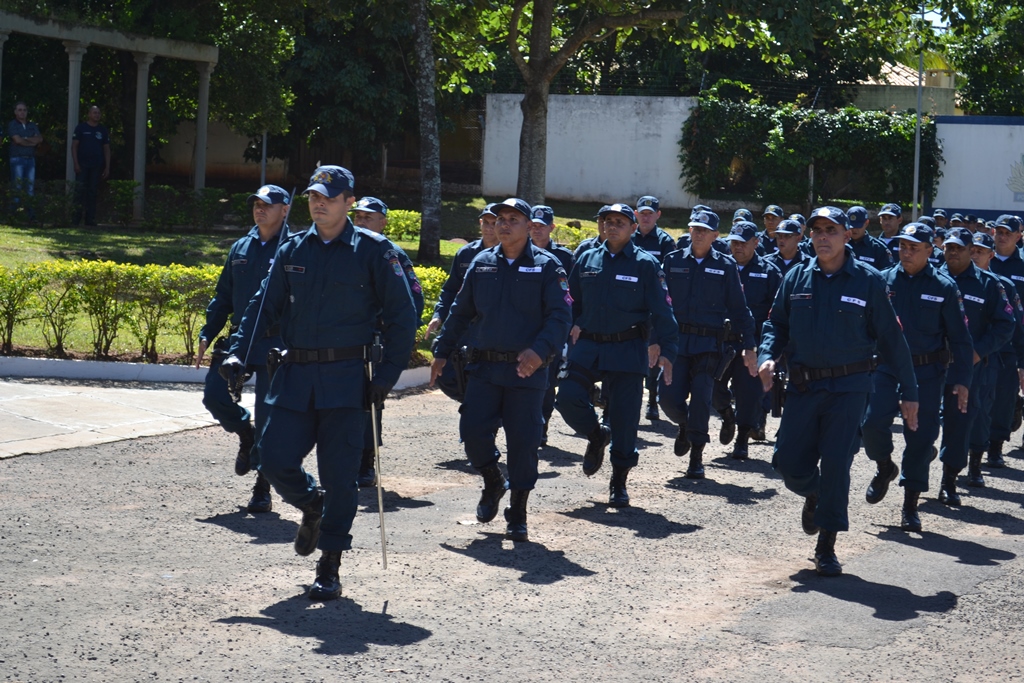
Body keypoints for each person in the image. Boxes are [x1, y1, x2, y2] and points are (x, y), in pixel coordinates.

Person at [220, 165, 418, 601]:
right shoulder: (291, 249)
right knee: (273, 458)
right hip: (295, 377)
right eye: (313, 196)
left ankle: (330, 562)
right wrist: (238, 351)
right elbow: (261, 306)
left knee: (341, 475)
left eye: (329, 197)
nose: (319, 203)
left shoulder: (374, 251)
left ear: (349, 202)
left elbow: (403, 318)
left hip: (348, 381)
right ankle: (312, 504)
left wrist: (386, 378)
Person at [757, 206, 919, 577]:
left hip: (849, 388)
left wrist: (909, 390)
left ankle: (826, 545)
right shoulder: (796, 277)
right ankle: (814, 493)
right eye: (817, 231)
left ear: (847, 235)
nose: (823, 237)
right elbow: (776, 324)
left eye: (831, 230)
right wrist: (767, 356)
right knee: (786, 462)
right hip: (804, 386)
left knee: (836, 464)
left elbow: (892, 340)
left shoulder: (868, 281)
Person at [430, 198, 571, 541]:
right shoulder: (481, 263)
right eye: (499, 219)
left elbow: (560, 316)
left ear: (529, 226)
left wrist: (539, 351)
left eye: (513, 219)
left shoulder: (548, 266)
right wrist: (441, 352)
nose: (504, 224)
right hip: (485, 369)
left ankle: (518, 512)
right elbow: (460, 312)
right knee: (473, 432)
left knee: (524, 443)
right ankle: (493, 480)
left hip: (526, 372)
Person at [556, 203, 678, 507]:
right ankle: (597, 435)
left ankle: (619, 480)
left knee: (625, 420)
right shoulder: (587, 258)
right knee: (567, 396)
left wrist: (668, 349)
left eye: (620, 222)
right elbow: (571, 301)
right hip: (589, 346)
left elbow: (663, 311)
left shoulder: (646, 264)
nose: (612, 226)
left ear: (633, 228)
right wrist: (572, 324)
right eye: (607, 221)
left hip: (627, 349)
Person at [860, 222, 973, 532]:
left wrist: (962, 380)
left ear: (929, 251)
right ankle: (885, 466)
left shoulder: (944, 287)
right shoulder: (882, 281)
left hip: (927, 371)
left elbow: (961, 339)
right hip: (887, 368)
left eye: (913, 247)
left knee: (920, 437)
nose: (906, 252)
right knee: (870, 423)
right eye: (902, 246)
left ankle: (910, 504)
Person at [195, 185, 291, 513]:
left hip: (276, 343)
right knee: (214, 396)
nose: (259, 209)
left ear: (285, 210)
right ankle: (244, 434)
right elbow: (223, 296)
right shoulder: (240, 247)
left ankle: (262, 487)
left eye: (267, 205)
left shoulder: (293, 248)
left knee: (269, 417)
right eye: (256, 204)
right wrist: (208, 332)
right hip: (240, 340)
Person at [661, 209, 757, 478]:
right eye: (695, 229)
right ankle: (684, 424)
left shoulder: (725, 266)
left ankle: (696, 456)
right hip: (677, 342)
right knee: (668, 398)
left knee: (702, 397)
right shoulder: (672, 261)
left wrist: (749, 346)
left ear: (716, 235)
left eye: (705, 230)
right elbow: (659, 304)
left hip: (709, 345)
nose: (699, 234)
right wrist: (655, 340)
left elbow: (739, 308)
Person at [936, 228, 1015, 504]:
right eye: (949, 247)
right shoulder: (931, 278)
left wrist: (978, 352)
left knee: (965, 421)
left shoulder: (989, 284)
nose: (953, 252)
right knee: (927, 422)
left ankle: (951, 479)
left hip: (970, 367)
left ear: (970, 251)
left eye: (959, 248)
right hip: (931, 364)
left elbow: (1006, 325)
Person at [351, 196, 425, 487]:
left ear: (382, 223)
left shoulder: (391, 254)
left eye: (368, 218)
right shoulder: (345, 251)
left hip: (374, 339)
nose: (361, 222)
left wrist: (395, 336)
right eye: (357, 217)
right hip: (344, 337)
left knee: (370, 401)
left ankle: (366, 460)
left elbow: (413, 300)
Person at [712, 221, 782, 457]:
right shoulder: (719, 265)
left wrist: (769, 347)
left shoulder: (770, 272)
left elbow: (777, 313)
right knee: (711, 384)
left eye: (743, 243)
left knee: (749, 393)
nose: (737, 247)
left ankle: (742, 436)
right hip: (720, 340)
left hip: (752, 342)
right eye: (734, 242)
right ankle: (726, 414)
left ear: (756, 242)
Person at [425, 204, 500, 402]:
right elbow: (451, 289)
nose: (489, 228)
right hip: (465, 325)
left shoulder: (509, 254)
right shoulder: (466, 253)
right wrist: (439, 315)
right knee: (453, 374)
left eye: (494, 223)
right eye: (485, 222)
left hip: (493, 327)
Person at [966, 231, 1024, 479]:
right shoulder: (952, 280)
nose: (974, 255)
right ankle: (963, 454)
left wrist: (1022, 361)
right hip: (965, 355)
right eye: (972, 250)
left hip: (1000, 354)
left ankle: (994, 447)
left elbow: (1016, 326)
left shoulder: (1003, 285)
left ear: (990, 255)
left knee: (999, 402)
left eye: (980, 251)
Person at [529, 204, 575, 444]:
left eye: (542, 226)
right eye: (534, 226)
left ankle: (542, 425)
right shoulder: (518, 252)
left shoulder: (565, 258)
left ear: (552, 228)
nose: (537, 230)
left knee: (547, 381)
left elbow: (573, 295)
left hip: (552, 328)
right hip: (525, 327)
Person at [632, 195, 676, 421]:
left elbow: (667, 279)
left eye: (650, 214)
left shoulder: (665, 242)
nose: (646, 217)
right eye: (642, 213)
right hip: (630, 302)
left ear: (658, 215)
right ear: (636, 214)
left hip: (652, 304)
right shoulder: (629, 236)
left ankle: (651, 400)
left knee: (652, 354)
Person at [985, 214, 1024, 465]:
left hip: (1011, 341)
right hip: (981, 339)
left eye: (1008, 233)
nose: (1002, 237)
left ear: (1019, 236)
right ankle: (974, 445)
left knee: (1003, 396)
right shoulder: (981, 258)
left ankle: (995, 447)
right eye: (999, 232)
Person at [71, 105, 111, 226]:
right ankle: (75, 219)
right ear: (89, 114)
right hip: (82, 165)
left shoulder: (102, 130)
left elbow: (106, 149)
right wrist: (76, 163)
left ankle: (90, 219)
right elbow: (74, 146)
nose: (97, 115)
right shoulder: (81, 128)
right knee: (79, 191)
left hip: (96, 165)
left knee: (92, 191)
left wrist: (107, 166)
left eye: (98, 113)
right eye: (94, 113)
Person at [7, 101, 42, 216]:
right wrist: (31, 142)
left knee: (30, 188)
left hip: (30, 159)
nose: (22, 112)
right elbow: (17, 140)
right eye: (20, 110)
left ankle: (31, 215)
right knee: (17, 187)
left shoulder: (32, 125)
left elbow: (39, 139)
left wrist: (24, 139)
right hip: (17, 159)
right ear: (15, 112)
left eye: (24, 110)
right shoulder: (12, 124)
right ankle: (13, 215)